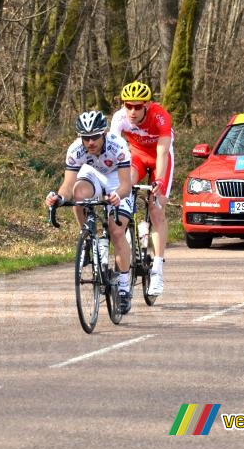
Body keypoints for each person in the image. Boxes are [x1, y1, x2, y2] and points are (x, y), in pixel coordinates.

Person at [45, 111, 135, 314]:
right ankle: (87, 237)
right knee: (79, 196)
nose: (90, 142)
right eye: (86, 138)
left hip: (116, 180)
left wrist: (117, 196)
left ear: (104, 133)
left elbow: (126, 185)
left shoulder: (118, 145)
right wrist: (59, 198)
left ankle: (123, 287)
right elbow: (68, 186)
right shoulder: (75, 150)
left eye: (95, 137)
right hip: (92, 174)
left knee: (117, 231)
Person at [109, 81, 174, 297]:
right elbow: (114, 152)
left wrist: (160, 182)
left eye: (137, 107)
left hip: (159, 159)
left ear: (146, 105)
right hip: (136, 156)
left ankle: (157, 270)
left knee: (156, 209)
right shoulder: (119, 118)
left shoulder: (160, 117)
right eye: (128, 106)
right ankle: (129, 229)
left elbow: (163, 153)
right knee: (125, 186)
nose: (132, 111)